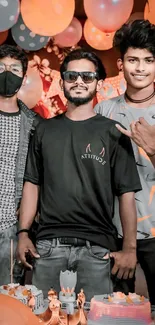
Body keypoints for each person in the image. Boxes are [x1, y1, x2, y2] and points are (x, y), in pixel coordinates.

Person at [17, 49, 141, 302]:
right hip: (48, 247)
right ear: (62, 81)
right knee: (43, 317)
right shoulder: (44, 130)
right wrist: (23, 233)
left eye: (87, 76)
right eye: (72, 75)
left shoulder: (114, 132)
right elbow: (32, 184)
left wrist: (129, 248)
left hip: (97, 249)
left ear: (98, 82)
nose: (79, 81)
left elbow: (126, 194)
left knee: (96, 319)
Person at [94, 19, 155, 317]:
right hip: (115, 231)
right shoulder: (103, 111)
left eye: (148, 60)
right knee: (117, 314)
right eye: (133, 60)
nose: (140, 68)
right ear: (121, 64)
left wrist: (154, 149)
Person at [0, 44, 42, 285]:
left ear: (23, 77)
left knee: (9, 301)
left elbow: (37, 178)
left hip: (11, 228)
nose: (7, 73)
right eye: (1, 68)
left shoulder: (35, 124)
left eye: (14, 68)